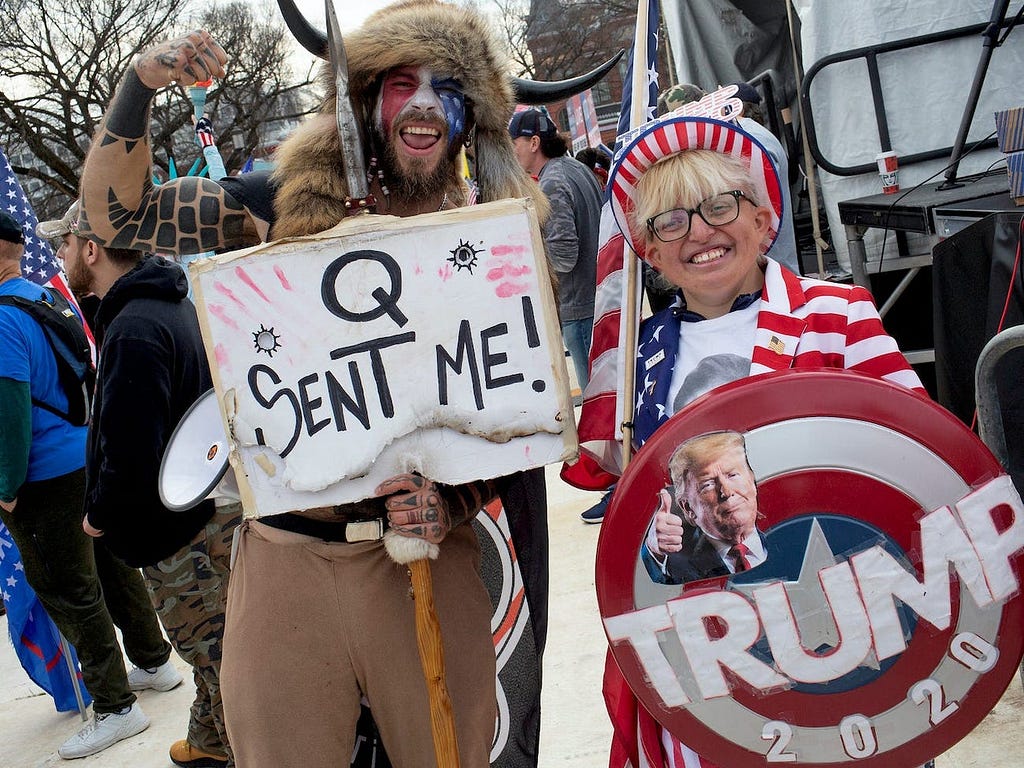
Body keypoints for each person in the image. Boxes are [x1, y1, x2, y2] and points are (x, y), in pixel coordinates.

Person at [77, 2, 606, 765]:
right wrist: (142, 83)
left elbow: (513, 415)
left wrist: (451, 501)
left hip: (429, 554)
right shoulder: (277, 205)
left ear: (471, 117)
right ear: (364, 99)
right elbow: (118, 216)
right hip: (290, 556)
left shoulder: (492, 237)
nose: (424, 104)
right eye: (401, 83)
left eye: (447, 86)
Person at [567, 109, 926, 768]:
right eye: (670, 221)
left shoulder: (834, 314)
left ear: (764, 220)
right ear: (647, 251)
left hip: (841, 604)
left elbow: (919, 458)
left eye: (720, 207)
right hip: (713, 637)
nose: (699, 233)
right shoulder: (639, 362)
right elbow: (639, 506)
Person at [39, 201, 241, 768]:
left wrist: (96, 515)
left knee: (216, 655)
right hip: (199, 515)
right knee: (215, 650)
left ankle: (235, 746)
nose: (59, 257)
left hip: (180, 533)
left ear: (92, 249)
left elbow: (129, 450)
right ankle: (207, 741)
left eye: (65, 246)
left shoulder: (133, 327)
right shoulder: (160, 304)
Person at [0, 208, 181, 760]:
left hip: (40, 475)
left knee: (66, 587)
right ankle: (153, 661)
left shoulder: (2, 320)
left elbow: (9, 413)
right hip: (82, 454)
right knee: (110, 567)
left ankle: (115, 706)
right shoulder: (43, 294)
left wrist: (6, 485)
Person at [510, 108, 603, 394]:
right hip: (597, 300)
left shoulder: (552, 182)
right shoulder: (576, 168)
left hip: (580, 308)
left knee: (598, 402)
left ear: (534, 143)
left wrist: (525, 254)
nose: (513, 153)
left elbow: (563, 257)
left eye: (514, 144)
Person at [641, 431, 766, 584]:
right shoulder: (679, 565)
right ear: (688, 508)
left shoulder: (794, 535)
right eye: (708, 484)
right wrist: (654, 551)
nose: (726, 492)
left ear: (752, 481)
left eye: (732, 475)